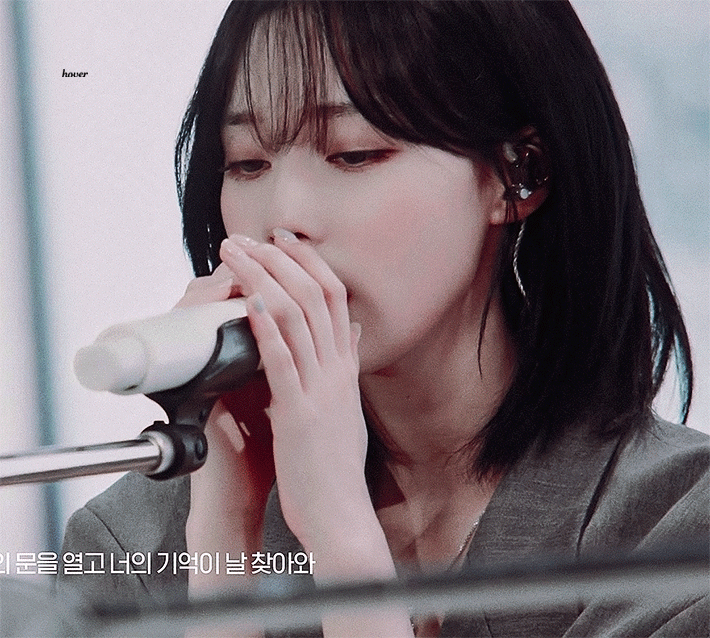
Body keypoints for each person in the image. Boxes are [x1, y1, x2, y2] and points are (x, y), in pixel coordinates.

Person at [57, 1, 709, 636]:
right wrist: (224, 543)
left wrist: (342, 537)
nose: (284, 218)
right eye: (248, 162)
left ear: (518, 173)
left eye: (353, 154)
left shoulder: (674, 530)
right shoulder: (133, 546)